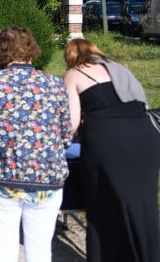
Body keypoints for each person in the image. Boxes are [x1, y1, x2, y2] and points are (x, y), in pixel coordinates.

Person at [0, 26, 72, 262]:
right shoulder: (54, 84)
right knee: (40, 250)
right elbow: (66, 136)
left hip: (1, 178)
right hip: (46, 178)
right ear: (31, 49)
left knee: (3, 250)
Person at [63, 38, 160, 262]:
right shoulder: (122, 69)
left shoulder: (75, 73)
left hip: (107, 138)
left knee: (104, 202)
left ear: (71, 57)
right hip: (146, 136)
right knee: (143, 204)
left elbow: (71, 123)